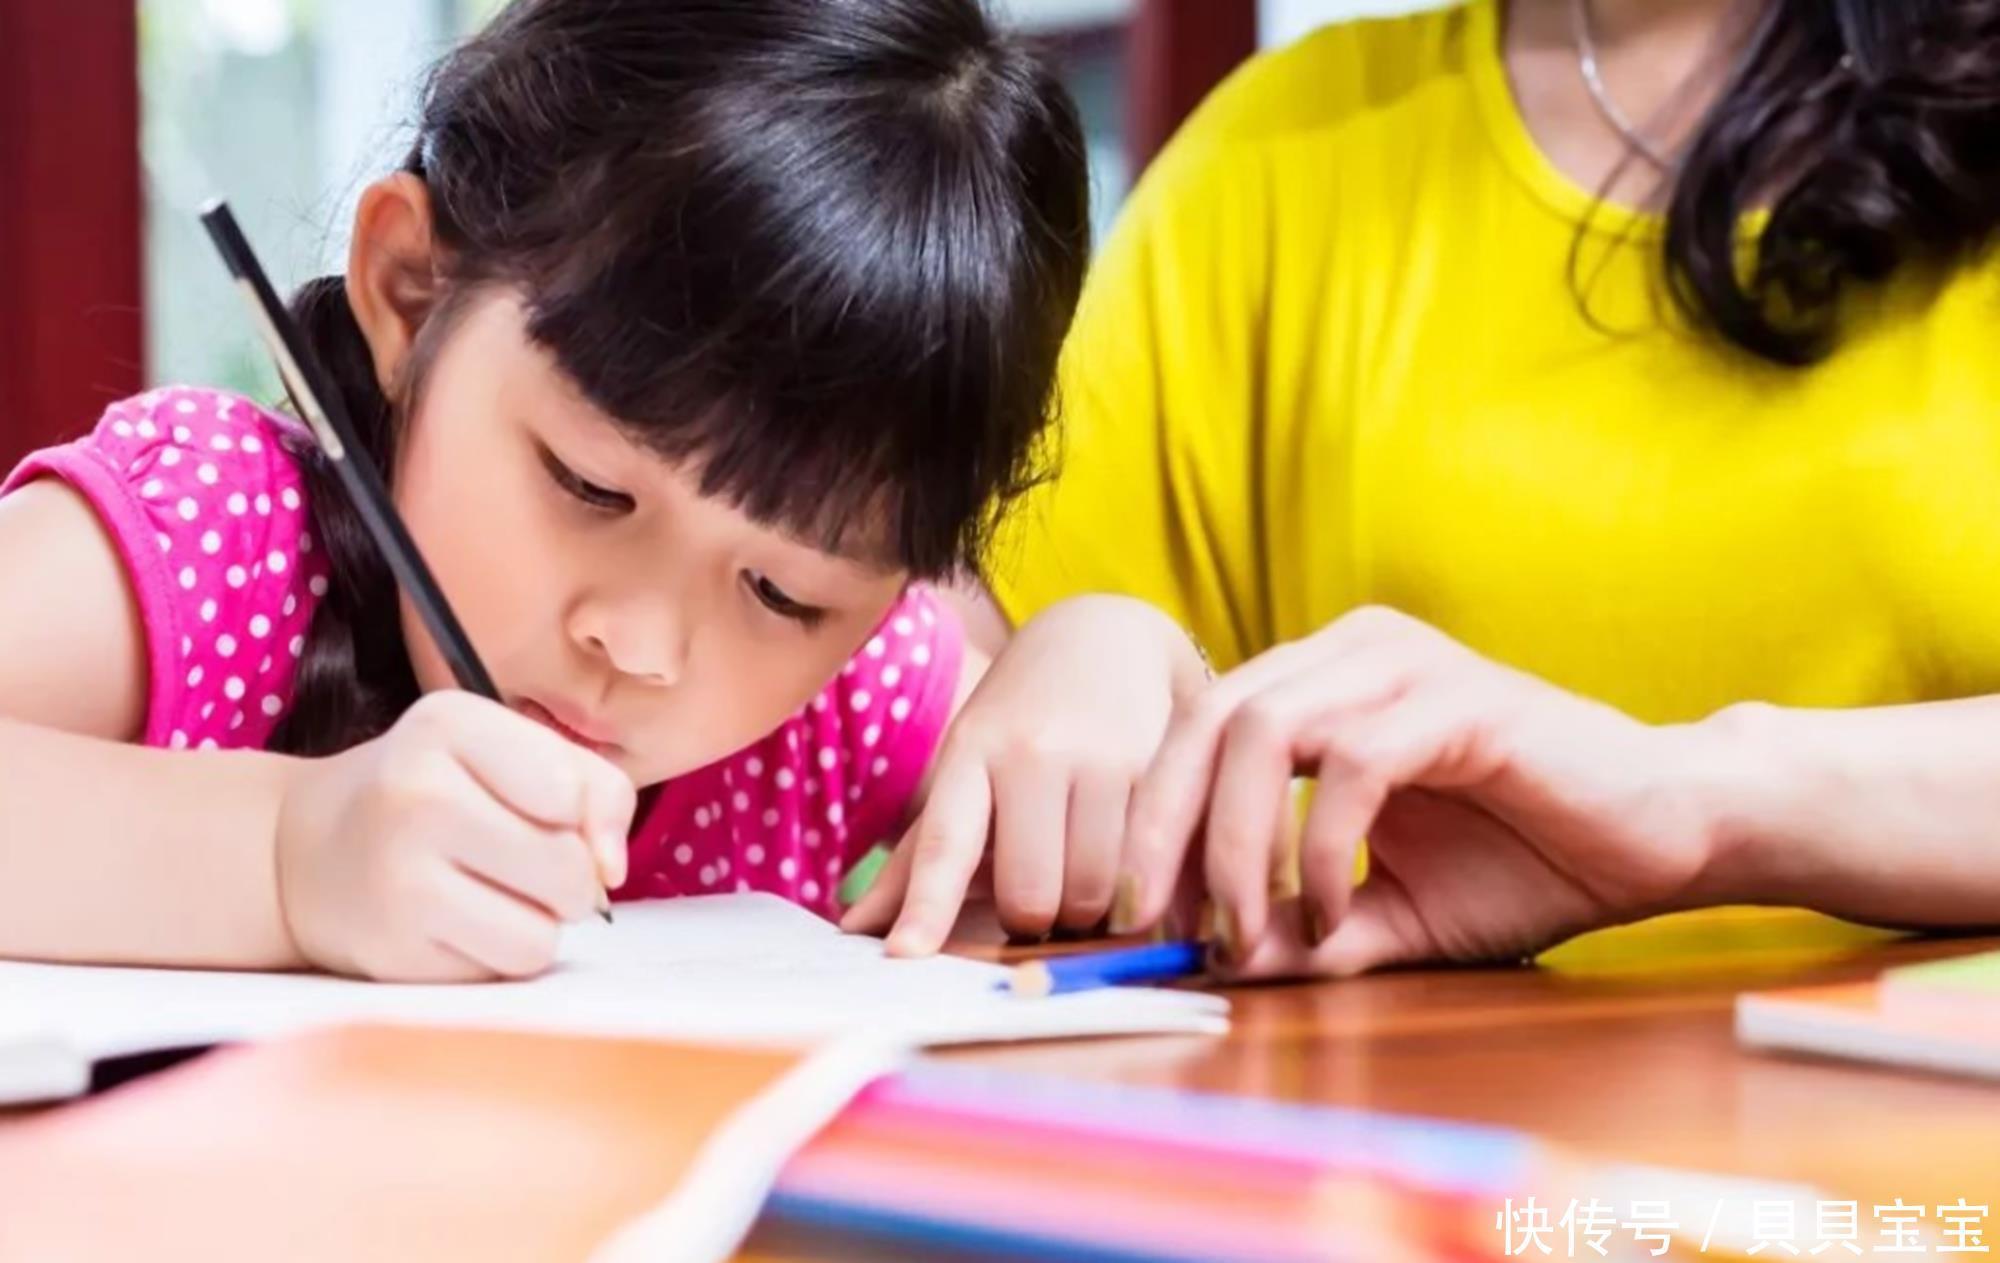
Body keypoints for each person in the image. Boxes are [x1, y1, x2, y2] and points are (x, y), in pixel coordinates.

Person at [853, 0, 2000, 976]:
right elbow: (892, 709)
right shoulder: (1279, 155)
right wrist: (1080, 650)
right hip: (1391, 1172)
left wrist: (1689, 802)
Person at [0, 0, 1135, 982]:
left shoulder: (843, 704)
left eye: (782, 595)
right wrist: (283, 859)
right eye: (591, 487)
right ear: (409, 291)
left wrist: (1110, 655)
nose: (640, 647)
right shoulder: (214, 539)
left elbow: (1087, 791)